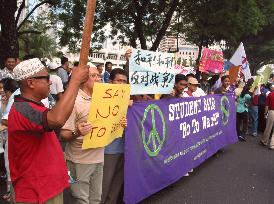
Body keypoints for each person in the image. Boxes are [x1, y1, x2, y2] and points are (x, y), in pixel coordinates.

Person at [8, 58, 89, 203]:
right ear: (31, 82)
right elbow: (57, 119)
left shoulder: (37, 107)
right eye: (46, 78)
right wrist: (74, 82)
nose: (50, 82)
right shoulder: (22, 109)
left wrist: (76, 132)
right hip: (36, 192)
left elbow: (56, 130)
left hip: (48, 188)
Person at [60, 67, 104, 204]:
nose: (98, 79)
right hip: (79, 160)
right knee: (81, 199)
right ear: (84, 80)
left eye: (99, 75)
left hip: (98, 156)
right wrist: (77, 132)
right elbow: (63, 134)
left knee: (96, 198)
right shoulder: (74, 101)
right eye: (94, 76)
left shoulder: (103, 98)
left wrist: (119, 123)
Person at [101, 68, 128, 204]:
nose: (122, 84)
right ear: (110, 82)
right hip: (108, 150)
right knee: (104, 186)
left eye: (124, 81)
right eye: (119, 81)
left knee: (116, 187)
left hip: (125, 149)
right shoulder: (102, 99)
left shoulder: (131, 100)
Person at [260, 83, 274, 148]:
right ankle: (272, 144)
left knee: (268, 127)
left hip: (271, 111)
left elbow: (267, 105)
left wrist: (265, 113)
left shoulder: (270, 94)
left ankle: (264, 141)